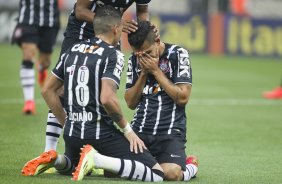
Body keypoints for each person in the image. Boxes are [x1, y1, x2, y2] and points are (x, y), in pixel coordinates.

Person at [21, 5, 164, 182]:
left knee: (72, 164)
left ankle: (56, 159)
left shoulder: (72, 50)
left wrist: (68, 123)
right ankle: (96, 159)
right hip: (100, 136)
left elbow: (47, 90)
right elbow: (107, 98)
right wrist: (128, 131)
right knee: (157, 174)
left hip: (72, 135)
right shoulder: (114, 54)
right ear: (115, 29)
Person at [43, 0, 152, 155]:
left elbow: (142, 11)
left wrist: (144, 31)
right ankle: (49, 151)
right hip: (81, 32)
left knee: (104, 91)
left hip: (113, 31)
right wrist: (116, 22)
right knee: (61, 90)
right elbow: (80, 10)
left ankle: (97, 153)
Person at [125, 21, 198, 181]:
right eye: (140, 55)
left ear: (157, 41)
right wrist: (143, 74)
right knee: (113, 170)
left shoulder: (178, 54)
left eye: (149, 52)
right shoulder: (134, 59)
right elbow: (130, 103)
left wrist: (156, 71)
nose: (145, 57)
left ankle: (190, 167)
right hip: (140, 131)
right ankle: (153, 164)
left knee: (170, 174)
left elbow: (183, 98)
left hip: (170, 132)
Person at [12, 0, 60, 114]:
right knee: (28, 55)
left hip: (50, 18)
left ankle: (41, 69)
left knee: (45, 61)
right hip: (28, 17)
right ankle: (29, 102)